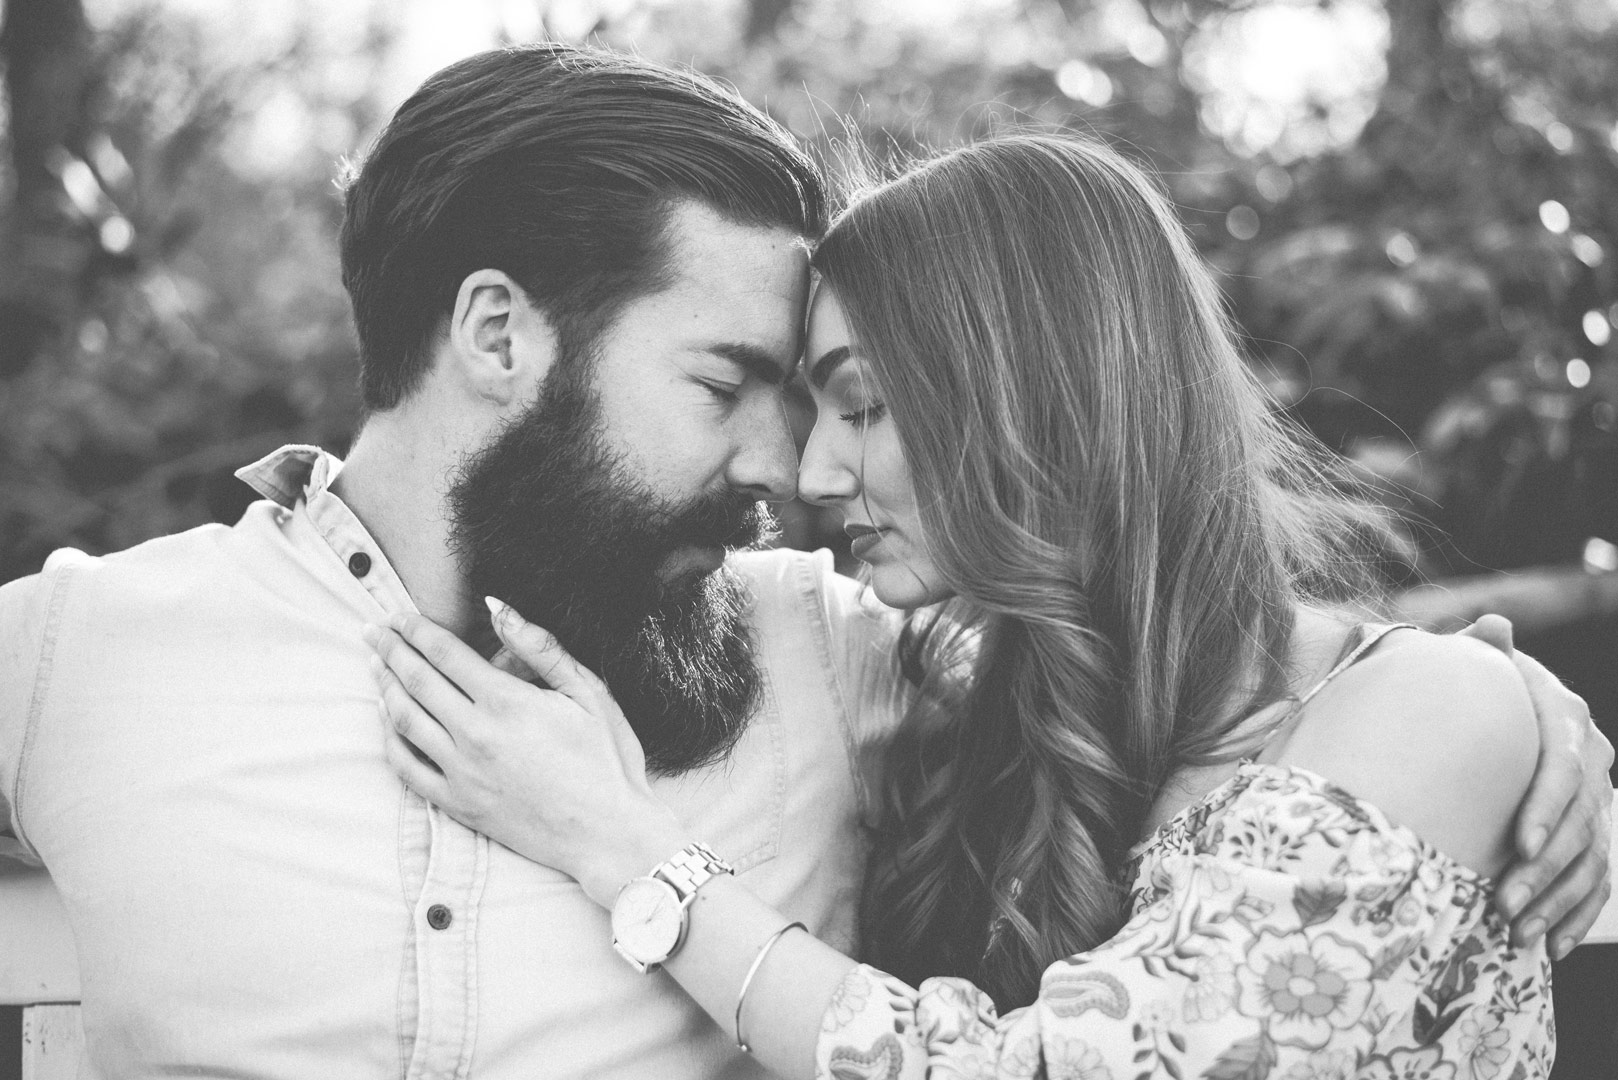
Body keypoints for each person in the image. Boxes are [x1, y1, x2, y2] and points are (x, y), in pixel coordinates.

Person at [368, 134, 1614, 1080]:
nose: (812, 475)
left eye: (861, 406)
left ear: (1035, 396)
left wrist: (630, 854)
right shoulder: (981, 705)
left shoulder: (1426, 710)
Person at [0, 42, 910, 1079]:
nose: (779, 467)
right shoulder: (82, 656)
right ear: (496, 333)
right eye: (721, 386)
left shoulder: (836, 655)